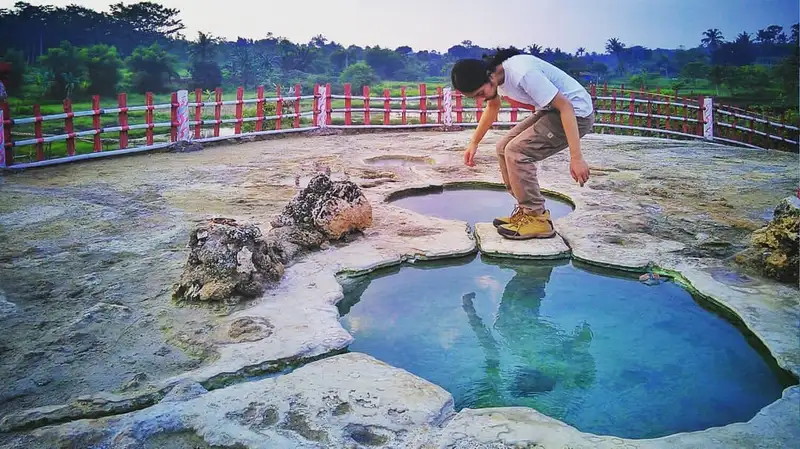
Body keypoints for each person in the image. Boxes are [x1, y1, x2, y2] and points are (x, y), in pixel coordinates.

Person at [450, 47, 595, 239]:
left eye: (479, 93)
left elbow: (566, 107)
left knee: (517, 152)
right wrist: (474, 143)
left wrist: (576, 158)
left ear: (489, 76)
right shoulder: (497, 78)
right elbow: (492, 107)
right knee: (503, 148)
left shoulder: (523, 73)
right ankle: (526, 212)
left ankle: (538, 219)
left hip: (577, 114)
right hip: (551, 110)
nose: (480, 98)